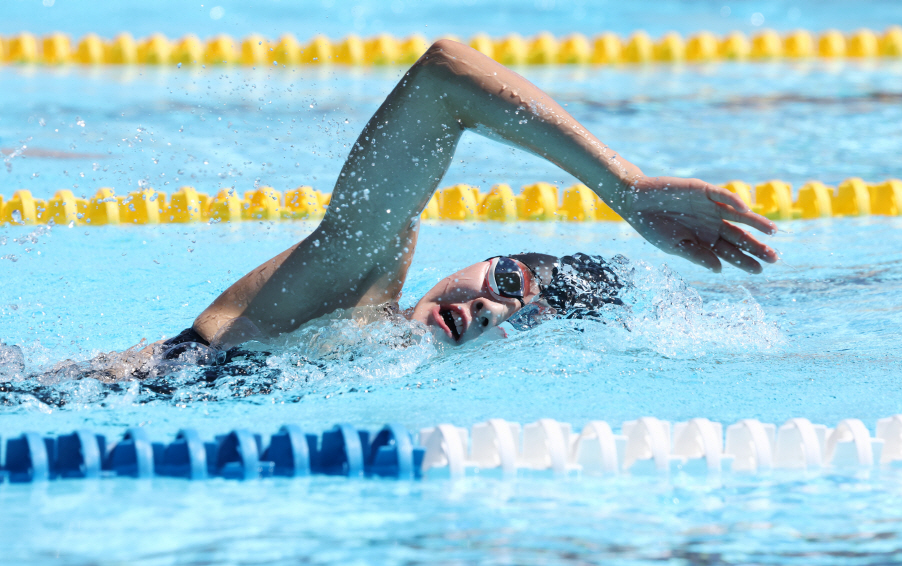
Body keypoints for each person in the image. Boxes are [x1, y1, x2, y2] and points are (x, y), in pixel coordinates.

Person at [159, 39, 778, 360]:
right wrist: (624, 186)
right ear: (483, 259)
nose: (493, 310)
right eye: (507, 280)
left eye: (525, 320)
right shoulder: (355, 284)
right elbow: (443, 76)